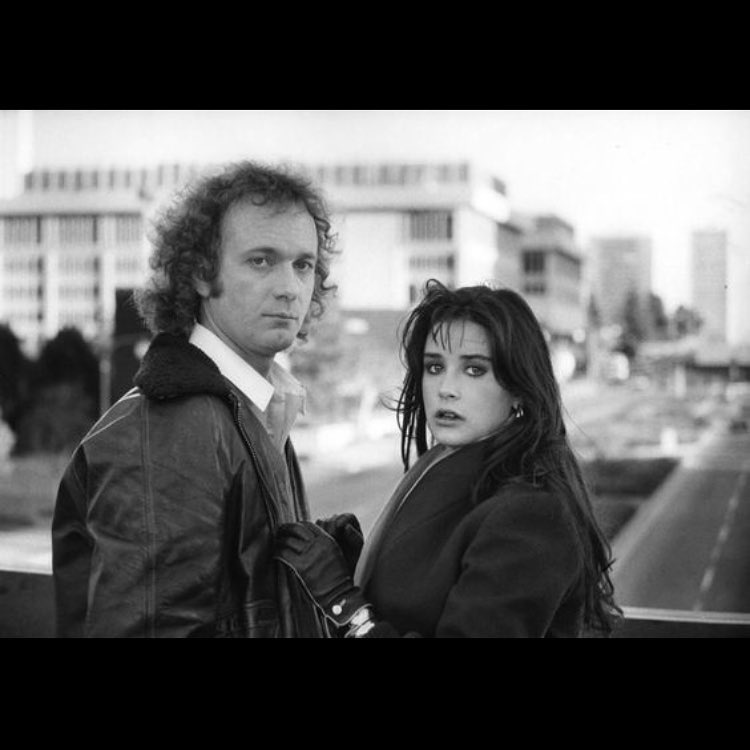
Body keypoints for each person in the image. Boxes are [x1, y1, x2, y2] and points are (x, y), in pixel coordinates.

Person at [52, 160, 339, 637]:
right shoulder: (173, 428)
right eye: (261, 261)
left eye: (303, 265)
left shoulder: (255, 408)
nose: (290, 288)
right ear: (201, 274)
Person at [275, 280, 621, 637]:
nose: (446, 389)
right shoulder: (444, 470)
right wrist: (359, 566)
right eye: (435, 367)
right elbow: (424, 603)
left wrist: (344, 604)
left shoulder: (531, 513)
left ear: (519, 388)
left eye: (474, 370)